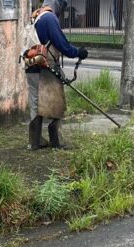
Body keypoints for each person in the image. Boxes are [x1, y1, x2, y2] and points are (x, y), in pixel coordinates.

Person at [24, 0, 89, 150]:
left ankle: (35, 141)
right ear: (58, 4)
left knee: (35, 103)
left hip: (32, 66)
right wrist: (78, 52)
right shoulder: (50, 18)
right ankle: (56, 141)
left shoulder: (36, 16)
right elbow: (62, 44)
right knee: (57, 102)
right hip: (47, 67)